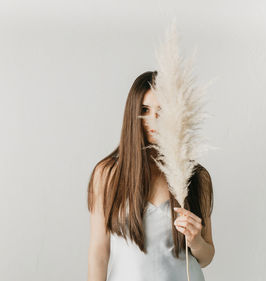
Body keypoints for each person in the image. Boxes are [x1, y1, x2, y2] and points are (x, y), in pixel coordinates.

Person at [86, 71, 215, 281]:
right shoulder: (108, 174)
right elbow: (99, 254)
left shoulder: (196, 176)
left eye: (162, 110)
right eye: (144, 110)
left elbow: (207, 256)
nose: (153, 119)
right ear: (132, 113)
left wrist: (196, 241)